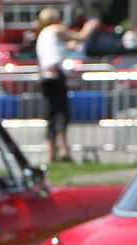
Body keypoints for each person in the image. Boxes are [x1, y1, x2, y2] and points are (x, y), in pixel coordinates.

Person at [35, 7, 98, 163]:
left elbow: (69, 45)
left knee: (51, 113)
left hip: (45, 75)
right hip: (56, 74)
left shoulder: (44, 34)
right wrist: (91, 26)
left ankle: (51, 154)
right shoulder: (56, 29)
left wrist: (77, 39)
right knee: (62, 112)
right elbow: (81, 37)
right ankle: (64, 150)